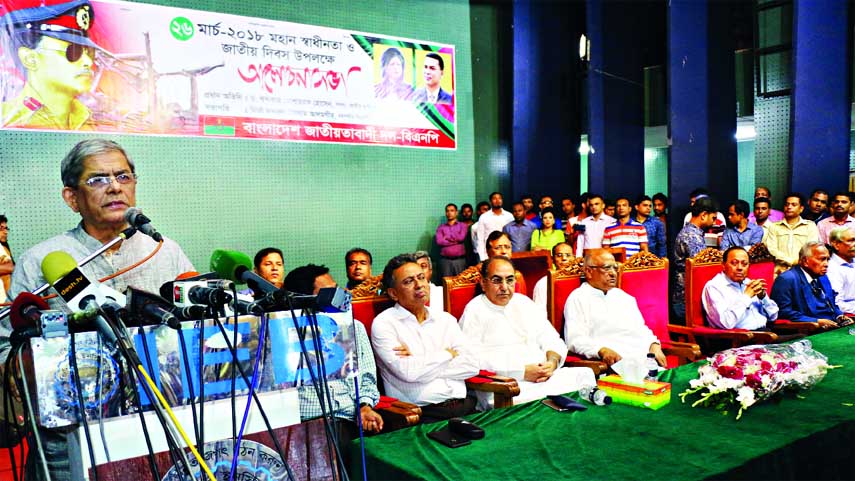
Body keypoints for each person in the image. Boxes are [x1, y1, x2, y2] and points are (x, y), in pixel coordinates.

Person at [3, 139, 194, 481]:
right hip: (70, 440)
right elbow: (7, 347)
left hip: (159, 427)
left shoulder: (165, 252)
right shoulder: (41, 261)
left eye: (123, 176)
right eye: (98, 179)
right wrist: (21, 366)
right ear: (72, 198)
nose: (114, 186)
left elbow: (196, 329)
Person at [459, 257, 595, 408]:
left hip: (545, 378)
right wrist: (522, 372)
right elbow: (470, 359)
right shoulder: (475, 310)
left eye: (510, 280)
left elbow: (552, 339)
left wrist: (552, 363)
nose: (505, 287)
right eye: (497, 280)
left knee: (585, 376)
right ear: (483, 283)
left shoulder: (524, 302)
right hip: (509, 385)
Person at [370, 254, 478, 423]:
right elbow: (409, 373)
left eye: (421, 278)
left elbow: (472, 365)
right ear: (393, 293)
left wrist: (419, 360)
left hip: (466, 407)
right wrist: (447, 354)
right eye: (408, 281)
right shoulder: (384, 324)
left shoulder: (445, 319)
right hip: (420, 414)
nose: (419, 285)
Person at [282, 264, 383, 444]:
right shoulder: (283, 336)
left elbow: (367, 376)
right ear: (304, 299)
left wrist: (365, 406)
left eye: (338, 289)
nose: (340, 296)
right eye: (330, 292)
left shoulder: (354, 327)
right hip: (307, 425)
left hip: (349, 418)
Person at [1, 0, 99, 130]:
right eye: (74, 51)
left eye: (90, 52)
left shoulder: (92, 121)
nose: (88, 62)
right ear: (30, 59)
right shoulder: (5, 118)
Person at [563, 249, 666, 367]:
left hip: (645, 361)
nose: (613, 273)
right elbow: (575, 340)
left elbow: (641, 329)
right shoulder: (578, 298)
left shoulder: (623, 296)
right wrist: (601, 350)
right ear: (589, 272)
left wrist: (654, 344)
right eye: (606, 268)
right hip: (614, 366)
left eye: (615, 268)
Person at [770, 241, 853, 328]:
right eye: (822, 259)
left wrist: (839, 316)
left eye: (828, 259)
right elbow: (782, 312)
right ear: (805, 261)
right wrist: (816, 321)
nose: (826, 264)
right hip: (808, 329)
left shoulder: (823, 277)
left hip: (832, 326)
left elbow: (831, 304)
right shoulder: (786, 279)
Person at [702, 247, 778, 330]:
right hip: (739, 338)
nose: (740, 268)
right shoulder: (714, 287)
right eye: (734, 263)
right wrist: (746, 297)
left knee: (794, 338)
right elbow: (725, 323)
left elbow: (773, 317)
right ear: (723, 265)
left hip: (765, 332)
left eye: (744, 264)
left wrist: (764, 298)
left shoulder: (749, 283)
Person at [673, 197, 718, 319]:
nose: (714, 222)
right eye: (713, 218)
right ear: (703, 215)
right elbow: (701, 268)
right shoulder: (691, 236)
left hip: (689, 296)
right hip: (688, 298)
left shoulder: (693, 233)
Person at [763, 193, 819, 275]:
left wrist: (800, 262)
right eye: (787, 204)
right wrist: (792, 261)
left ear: (801, 209)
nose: (789, 207)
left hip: (803, 270)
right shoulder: (774, 227)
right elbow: (772, 249)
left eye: (794, 205)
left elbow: (811, 248)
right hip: (780, 271)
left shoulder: (810, 226)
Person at [532, 242, 574, 306]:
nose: (564, 259)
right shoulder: (544, 283)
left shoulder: (580, 280)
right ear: (552, 259)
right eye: (559, 255)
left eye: (568, 255)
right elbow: (539, 312)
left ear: (574, 258)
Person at [474, 192, 513, 261]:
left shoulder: (509, 216)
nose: (497, 200)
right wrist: (483, 258)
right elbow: (480, 239)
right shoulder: (484, 217)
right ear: (490, 201)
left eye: (499, 198)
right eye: (494, 198)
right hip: (489, 254)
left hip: (505, 253)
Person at [826, 227, 855, 315]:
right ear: (836, 245)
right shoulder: (831, 268)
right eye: (851, 240)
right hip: (849, 317)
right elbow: (837, 304)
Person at [435, 203, 468, 278]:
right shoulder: (441, 227)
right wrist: (455, 240)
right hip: (445, 261)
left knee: (461, 283)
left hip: (460, 261)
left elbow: (461, 238)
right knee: (446, 284)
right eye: (447, 211)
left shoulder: (462, 225)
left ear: (456, 212)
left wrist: (446, 237)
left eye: (452, 211)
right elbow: (439, 241)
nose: (449, 213)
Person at [0, 215, 13, 302]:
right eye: (1, 228)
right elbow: (10, 267)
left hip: (6, 300)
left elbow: (11, 267)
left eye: (6, 228)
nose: (5, 232)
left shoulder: (4, 247)